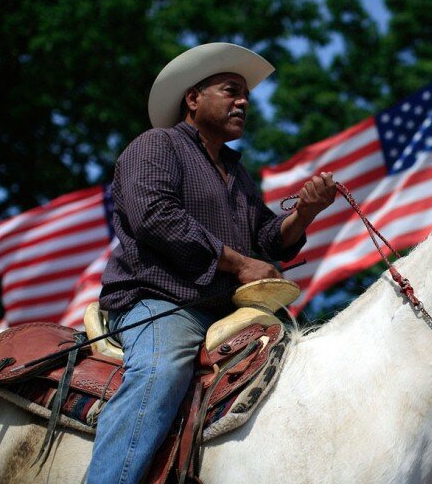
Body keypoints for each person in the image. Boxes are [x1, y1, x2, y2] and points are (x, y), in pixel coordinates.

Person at [87, 42, 336, 483]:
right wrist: (240, 264)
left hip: (228, 312)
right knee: (160, 374)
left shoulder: (237, 173)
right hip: (160, 303)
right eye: (230, 90)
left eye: (246, 95)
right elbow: (154, 216)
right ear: (193, 98)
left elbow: (266, 239)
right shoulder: (156, 145)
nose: (243, 101)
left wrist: (305, 212)